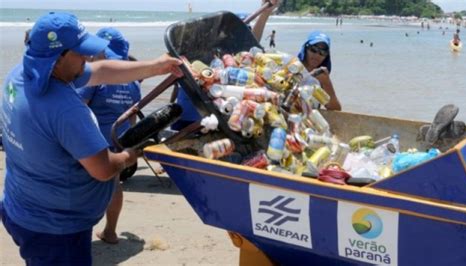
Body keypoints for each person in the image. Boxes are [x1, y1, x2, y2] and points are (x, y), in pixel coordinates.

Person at [1, 12, 182, 265]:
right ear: (59, 56)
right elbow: (103, 168)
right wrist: (130, 156)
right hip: (56, 229)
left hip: (19, 206)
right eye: (80, 52)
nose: (87, 57)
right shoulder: (65, 108)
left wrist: (155, 67)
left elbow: (101, 70)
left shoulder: (21, 74)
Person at [76, 27, 140, 245]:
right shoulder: (132, 81)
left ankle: (80, 234)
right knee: (114, 185)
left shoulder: (96, 78)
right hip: (119, 142)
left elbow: (78, 110)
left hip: (93, 144)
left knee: (83, 188)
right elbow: (133, 118)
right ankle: (110, 231)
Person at [172, 0, 279, 131]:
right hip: (189, 120)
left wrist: (265, 14)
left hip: (216, 120)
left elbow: (252, 41)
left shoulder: (239, 59)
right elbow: (179, 84)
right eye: (232, 33)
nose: (235, 38)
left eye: (240, 34)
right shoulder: (205, 53)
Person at [253, 1, 341, 111]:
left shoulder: (319, 81)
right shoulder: (289, 65)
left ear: (326, 56)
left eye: (322, 53)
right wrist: (264, 14)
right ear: (305, 48)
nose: (317, 55)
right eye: (313, 50)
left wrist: (327, 83)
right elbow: (254, 49)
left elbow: (336, 110)